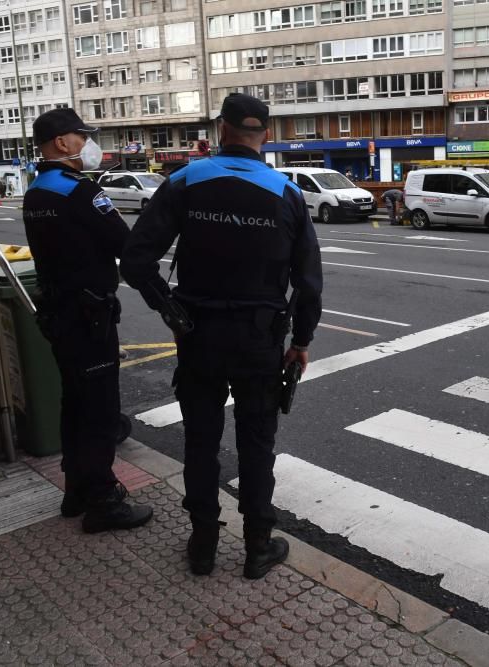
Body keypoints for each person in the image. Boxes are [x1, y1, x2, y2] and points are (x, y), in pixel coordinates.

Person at [120, 94, 323, 579]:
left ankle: (203, 545)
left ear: (220, 130)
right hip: (259, 341)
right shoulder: (286, 192)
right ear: (265, 136)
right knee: (257, 444)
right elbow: (309, 282)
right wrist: (301, 341)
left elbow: (135, 261)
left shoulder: (184, 181)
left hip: (199, 337)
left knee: (201, 442)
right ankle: (257, 546)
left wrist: (171, 311)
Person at [22, 108, 153, 533]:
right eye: (81, 137)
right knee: (99, 409)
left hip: (59, 314)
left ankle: (75, 489)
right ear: (62, 143)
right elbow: (124, 242)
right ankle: (103, 501)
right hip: (89, 315)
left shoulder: (38, 191)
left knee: (74, 403)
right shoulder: (80, 191)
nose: (87, 144)